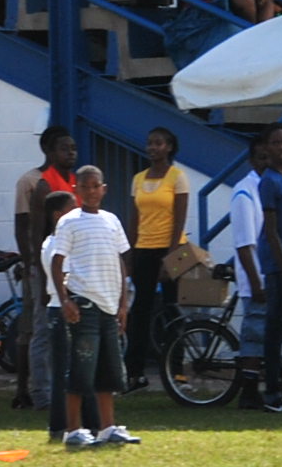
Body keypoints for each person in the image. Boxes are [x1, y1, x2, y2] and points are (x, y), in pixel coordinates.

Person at [49, 163, 138, 449]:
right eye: (84, 187)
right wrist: (64, 299)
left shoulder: (112, 221)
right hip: (84, 302)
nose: (90, 192)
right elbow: (57, 261)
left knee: (108, 369)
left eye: (95, 186)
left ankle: (108, 426)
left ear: (104, 189)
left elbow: (121, 263)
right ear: (76, 190)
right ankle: (73, 429)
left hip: (109, 305)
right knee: (81, 368)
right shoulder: (69, 222)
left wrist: (123, 304)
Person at [229, 127, 282, 410]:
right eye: (259, 157)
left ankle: (276, 385)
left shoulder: (275, 182)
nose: (263, 162)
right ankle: (249, 392)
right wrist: (256, 283)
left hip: (272, 270)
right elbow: (245, 243)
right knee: (256, 335)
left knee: (269, 332)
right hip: (257, 274)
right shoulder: (245, 192)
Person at [125, 127, 192, 387]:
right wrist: (129, 253)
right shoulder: (138, 179)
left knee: (173, 310)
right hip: (144, 249)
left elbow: (180, 217)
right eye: (150, 143)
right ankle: (135, 373)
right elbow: (134, 219)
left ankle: (178, 373)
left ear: (169, 147)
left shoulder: (178, 177)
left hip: (173, 249)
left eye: (159, 143)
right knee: (140, 311)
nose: (153, 148)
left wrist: (172, 255)